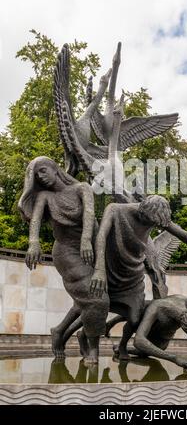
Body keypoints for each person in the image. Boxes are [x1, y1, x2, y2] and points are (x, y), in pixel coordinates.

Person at [90, 195, 187, 359]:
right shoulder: (115, 209)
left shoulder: (177, 304)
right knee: (93, 305)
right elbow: (101, 236)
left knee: (135, 314)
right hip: (110, 266)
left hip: (133, 274)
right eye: (149, 223)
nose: (151, 227)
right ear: (142, 213)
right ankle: (87, 343)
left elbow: (184, 235)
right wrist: (99, 270)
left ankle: (120, 344)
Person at [18, 156, 109, 364]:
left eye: (43, 170)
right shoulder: (44, 197)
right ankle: (94, 350)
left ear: (54, 168)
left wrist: (86, 240)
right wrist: (34, 242)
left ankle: (59, 332)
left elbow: (89, 214)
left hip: (92, 249)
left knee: (85, 299)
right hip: (66, 252)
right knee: (97, 297)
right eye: (37, 175)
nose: (41, 177)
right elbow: (36, 221)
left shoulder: (82, 188)